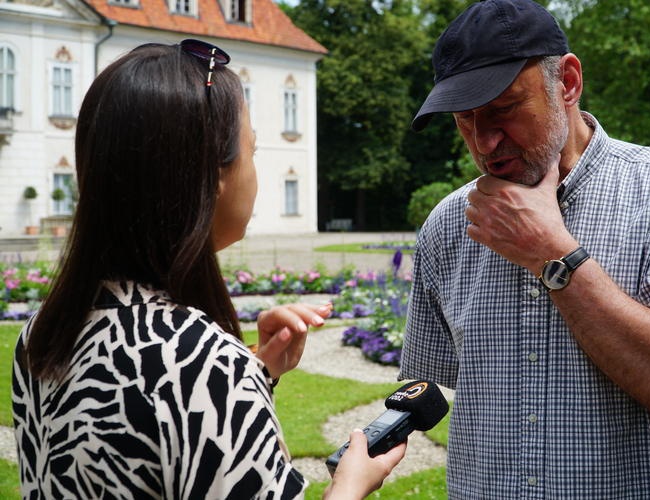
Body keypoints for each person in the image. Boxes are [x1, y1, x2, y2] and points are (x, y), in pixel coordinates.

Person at [12, 39, 405, 499]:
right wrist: (350, 486)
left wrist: (257, 374)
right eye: (252, 151)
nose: (254, 169)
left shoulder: (43, 335)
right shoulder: (204, 366)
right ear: (213, 173)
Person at [399, 0, 650, 497]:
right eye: (464, 119)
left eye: (503, 109)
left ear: (566, 82)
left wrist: (553, 255)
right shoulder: (448, 225)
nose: (484, 141)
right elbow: (430, 384)